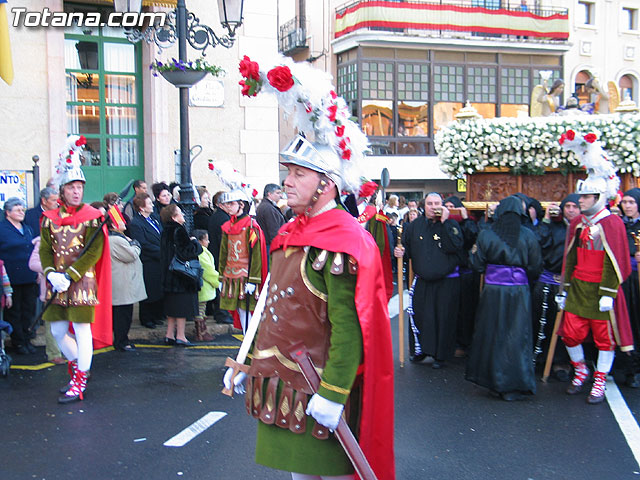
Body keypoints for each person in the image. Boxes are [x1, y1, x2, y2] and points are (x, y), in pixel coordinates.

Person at [223, 134, 395, 480]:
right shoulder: (288, 233)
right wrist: (248, 360)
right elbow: (273, 310)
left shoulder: (343, 240)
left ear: (327, 184)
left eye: (299, 174)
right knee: (299, 476)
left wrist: (333, 393)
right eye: (289, 171)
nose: (287, 181)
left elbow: (349, 329)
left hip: (321, 388)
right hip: (283, 386)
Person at [556, 130, 633, 404]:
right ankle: (581, 370)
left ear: (600, 197)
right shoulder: (578, 224)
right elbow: (571, 258)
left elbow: (617, 262)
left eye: (587, 198)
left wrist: (608, 293)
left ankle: (600, 379)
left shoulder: (612, 224)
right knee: (569, 333)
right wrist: (564, 288)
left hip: (602, 290)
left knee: (604, 338)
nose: (581, 202)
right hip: (578, 287)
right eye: (581, 198)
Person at [40, 134, 112, 403]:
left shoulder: (92, 217)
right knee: (59, 331)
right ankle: (79, 366)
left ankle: (80, 380)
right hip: (57, 282)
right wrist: (51, 274)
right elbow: (46, 250)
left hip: (81, 283)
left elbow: (94, 250)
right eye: (71, 187)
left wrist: (71, 275)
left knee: (82, 331)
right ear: (61, 191)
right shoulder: (49, 219)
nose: (77, 191)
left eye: (80, 187)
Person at [465, 196, 543, 401]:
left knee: (492, 333)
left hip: (493, 291)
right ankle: (515, 384)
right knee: (517, 336)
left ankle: (493, 381)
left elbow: (477, 264)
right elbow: (535, 266)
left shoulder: (486, 235)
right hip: (519, 292)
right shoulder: (528, 235)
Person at [394, 192, 464, 368]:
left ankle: (440, 355)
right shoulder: (414, 226)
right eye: (430, 203)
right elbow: (408, 250)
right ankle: (421, 350)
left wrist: (446, 223)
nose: (434, 207)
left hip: (446, 280)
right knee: (421, 316)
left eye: (437, 203)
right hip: (423, 279)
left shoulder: (451, 225)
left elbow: (455, 247)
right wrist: (401, 252)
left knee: (443, 318)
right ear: (423, 206)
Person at [531, 194, 580, 380]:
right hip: (549, 281)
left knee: (568, 326)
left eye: (574, 206)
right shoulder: (552, 227)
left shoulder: (585, 228)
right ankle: (541, 358)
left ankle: (562, 362)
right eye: (567, 206)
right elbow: (537, 243)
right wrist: (545, 220)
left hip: (573, 284)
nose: (570, 210)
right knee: (543, 321)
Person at [218, 189, 267, 332]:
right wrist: (221, 276)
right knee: (239, 312)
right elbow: (223, 253)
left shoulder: (252, 227)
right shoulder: (227, 227)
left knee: (248, 312)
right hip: (231, 275)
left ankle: (250, 344)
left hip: (246, 275)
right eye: (226, 204)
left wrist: (253, 280)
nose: (228, 207)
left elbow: (256, 255)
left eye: (231, 204)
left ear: (241, 205)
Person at [159, 203, 202, 346]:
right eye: (180, 213)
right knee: (181, 308)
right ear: (174, 217)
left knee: (171, 308)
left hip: (168, 274)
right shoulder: (179, 230)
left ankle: (169, 335)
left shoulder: (165, 230)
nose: (183, 215)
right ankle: (181, 336)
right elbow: (185, 252)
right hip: (181, 276)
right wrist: (195, 244)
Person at [0, 198, 38, 355]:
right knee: (14, 310)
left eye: (22, 209)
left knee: (28, 309)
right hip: (11, 276)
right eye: (17, 210)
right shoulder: (2, 229)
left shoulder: (27, 228)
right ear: (8, 213)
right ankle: (18, 341)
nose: (22, 212)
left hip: (29, 275)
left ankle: (27, 338)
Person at [444, 195, 480, 358]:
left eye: (453, 207)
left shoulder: (467, 222)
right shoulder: (442, 222)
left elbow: (473, 237)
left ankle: (463, 342)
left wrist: (465, 218)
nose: (450, 209)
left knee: (465, 311)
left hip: (464, 273)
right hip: (447, 273)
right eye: (447, 206)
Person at [108, 210, 146, 352]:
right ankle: (121, 341)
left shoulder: (117, 238)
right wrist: (136, 244)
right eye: (121, 221)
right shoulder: (116, 240)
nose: (124, 223)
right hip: (122, 282)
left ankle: (122, 339)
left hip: (122, 280)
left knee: (122, 313)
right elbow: (131, 255)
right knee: (123, 315)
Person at [126, 193, 164, 330]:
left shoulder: (154, 219)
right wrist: (160, 251)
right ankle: (146, 318)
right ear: (142, 208)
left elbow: (160, 234)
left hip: (159, 259)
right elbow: (143, 243)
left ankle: (155, 315)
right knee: (149, 289)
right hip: (148, 260)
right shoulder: (136, 223)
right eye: (149, 203)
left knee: (157, 288)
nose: (152, 205)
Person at [28, 236, 65, 364]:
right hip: (51, 290)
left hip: (71, 289)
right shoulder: (43, 240)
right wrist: (53, 271)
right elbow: (33, 263)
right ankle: (54, 353)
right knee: (53, 323)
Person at [618, 188, 640, 387]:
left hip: (638, 279)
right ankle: (627, 367)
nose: (628, 206)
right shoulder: (619, 225)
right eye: (625, 202)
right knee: (625, 323)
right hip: (623, 280)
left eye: (632, 202)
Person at [206, 191, 237, 325]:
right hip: (220, 256)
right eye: (229, 204)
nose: (231, 206)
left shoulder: (219, 216)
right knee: (222, 286)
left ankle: (221, 312)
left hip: (217, 254)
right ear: (222, 205)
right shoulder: (223, 218)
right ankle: (222, 313)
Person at [192, 229, 219, 342]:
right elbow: (208, 270)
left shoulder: (200, 251)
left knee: (201, 310)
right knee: (200, 311)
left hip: (204, 287)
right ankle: (201, 333)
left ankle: (202, 331)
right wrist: (218, 281)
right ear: (200, 241)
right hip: (204, 287)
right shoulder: (201, 252)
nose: (208, 242)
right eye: (206, 239)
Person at [255, 183, 286, 253]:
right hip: (270, 245)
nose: (280, 195)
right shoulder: (268, 208)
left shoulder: (266, 206)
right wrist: (277, 248)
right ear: (269, 194)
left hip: (267, 244)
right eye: (277, 193)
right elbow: (273, 230)